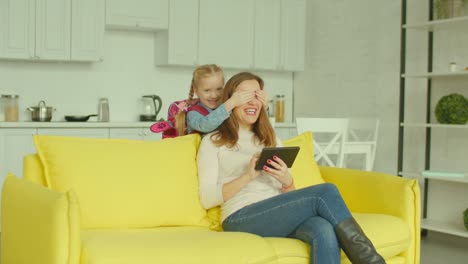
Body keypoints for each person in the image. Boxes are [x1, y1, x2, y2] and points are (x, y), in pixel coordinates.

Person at [197, 72, 385, 264]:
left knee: (322, 228)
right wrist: (248, 176)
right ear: (231, 100)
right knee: (326, 191)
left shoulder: (271, 140)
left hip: (276, 213)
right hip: (240, 217)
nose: (252, 102)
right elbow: (206, 198)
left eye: (257, 96)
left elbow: (289, 197)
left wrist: (287, 182)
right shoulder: (213, 141)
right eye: (244, 96)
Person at [151, 64, 269, 137]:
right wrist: (230, 103)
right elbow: (205, 125)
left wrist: (264, 108)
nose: (214, 95)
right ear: (196, 90)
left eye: (219, 89)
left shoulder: (228, 108)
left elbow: (255, 128)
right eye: (207, 90)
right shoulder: (194, 112)